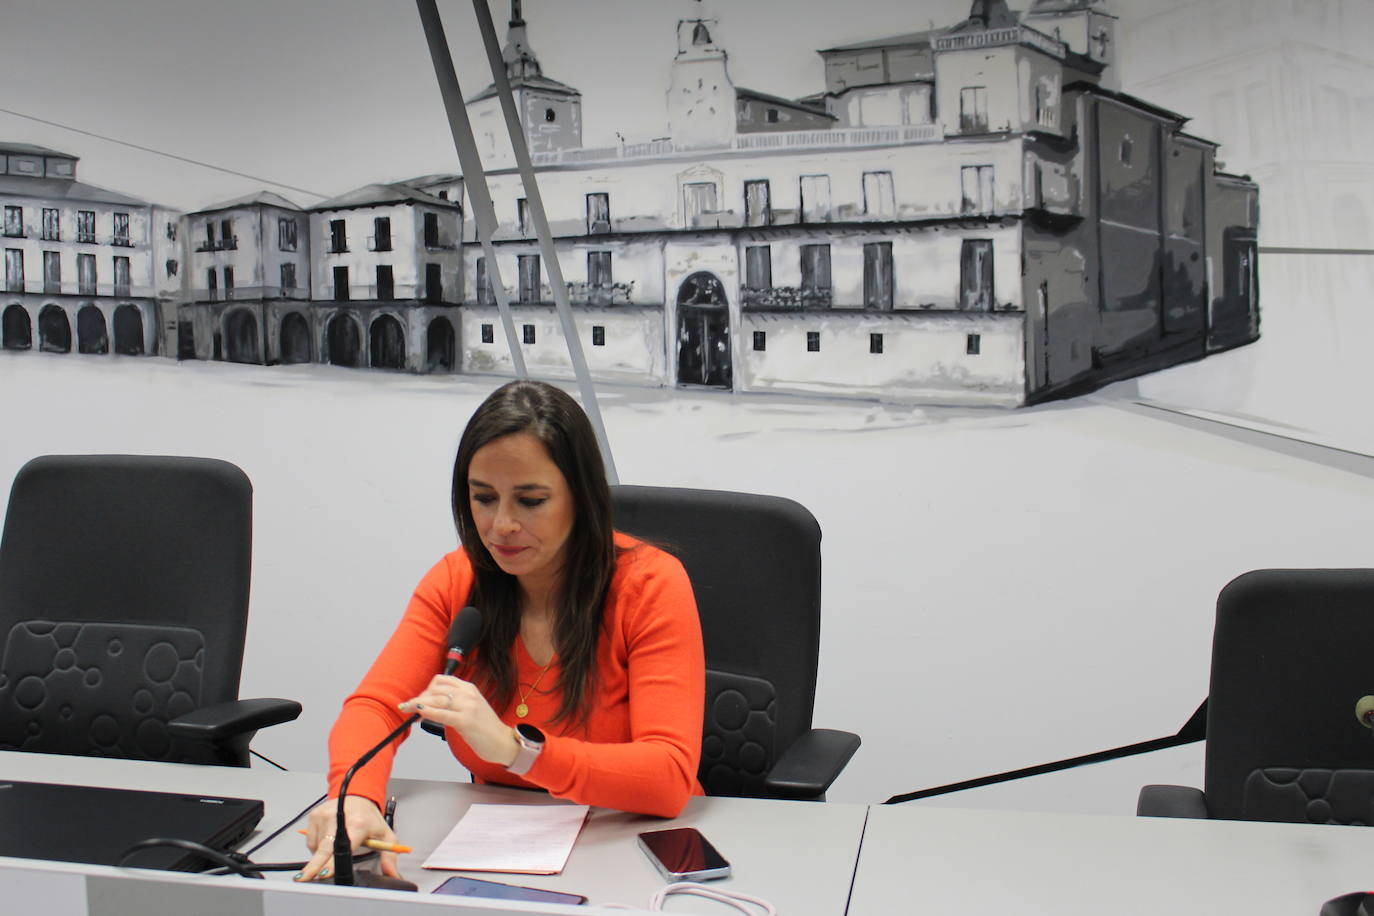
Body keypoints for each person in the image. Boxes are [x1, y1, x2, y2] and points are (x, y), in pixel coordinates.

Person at [296, 380, 704, 882]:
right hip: (498, 859)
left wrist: (518, 752)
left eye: (530, 501)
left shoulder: (650, 585)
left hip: (635, 850)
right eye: (483, 498)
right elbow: (377, 708)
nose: (501, 525)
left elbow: (668, 777)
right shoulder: (457, 580)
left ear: (582, 498)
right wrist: (352, 798)